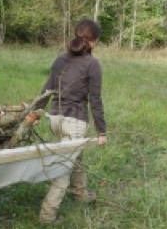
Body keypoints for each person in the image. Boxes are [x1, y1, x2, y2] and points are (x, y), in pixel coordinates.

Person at [33, 18, 107, 225]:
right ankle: (47, 215)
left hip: (54, 118)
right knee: (63, 168)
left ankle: (81, 193)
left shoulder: (59, 59)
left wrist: (37, 112)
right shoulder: (92, 64)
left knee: (75, 155)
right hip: (73, 120)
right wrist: (102, 132)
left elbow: (47, 89)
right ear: (93, 41)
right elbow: (95, 99)